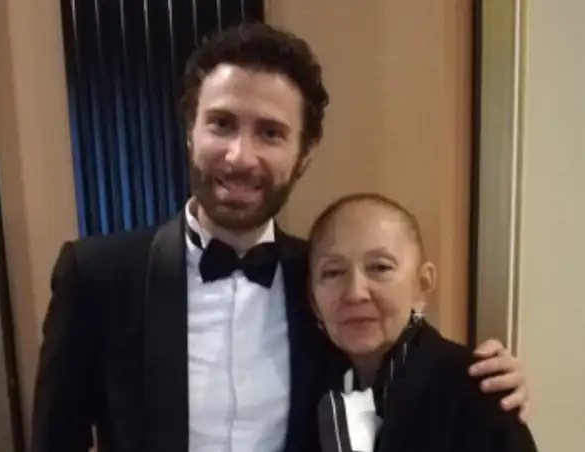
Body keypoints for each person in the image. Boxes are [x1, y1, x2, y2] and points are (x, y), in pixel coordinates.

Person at [31, 23, 529, 452]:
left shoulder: (324, 280)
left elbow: (401, 365)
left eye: (270, 133)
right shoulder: (96, 276)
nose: (239, 156)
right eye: (221, 124)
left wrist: (486, 385)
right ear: (189, 131)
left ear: (304, 153)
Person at [309, 193, 537, 452]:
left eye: (380, 268)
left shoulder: (479, 391)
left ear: (422, 285)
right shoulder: (304, 390)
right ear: (313, 300)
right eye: (332, 272)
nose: (355, 293)